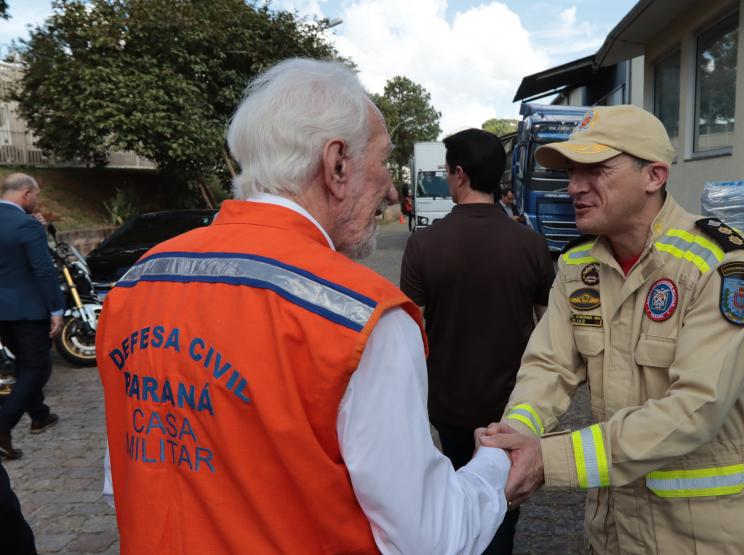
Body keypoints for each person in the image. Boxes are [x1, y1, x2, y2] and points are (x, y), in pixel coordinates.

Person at [97, 59, 510, 554]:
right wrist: (497, 468)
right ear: (337, 165)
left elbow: (125, 479)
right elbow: (431, 538)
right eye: (382, 161)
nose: (390, 189)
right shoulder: (363, 317)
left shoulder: (136, 282)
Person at [480, 105, 744, 554]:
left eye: (595, 169)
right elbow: (548, 367)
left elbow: (696, 408)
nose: (574, 186)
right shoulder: (578, 265)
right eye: (571, 171)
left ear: (654, 176)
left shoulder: (722, 265)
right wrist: (513, 435)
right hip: (616, 533)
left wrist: (550, 459)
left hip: (712, 536)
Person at [400, 128, 554, 554]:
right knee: (504, 497)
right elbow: (548, 331)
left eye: (448, 172)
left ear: (460, 175)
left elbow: (408, 331)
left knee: (453, 485)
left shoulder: (423, 244)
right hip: (512, 403)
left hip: (448, 402)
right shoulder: (532, 244)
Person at [0, 173, 64, 460]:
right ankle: (3, 425)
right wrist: (56, 309)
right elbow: (43, 268)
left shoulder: (24, 222)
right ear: (26, 193)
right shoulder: (26, 225)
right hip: (27, 309)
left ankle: (39, 415)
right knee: (37, 368)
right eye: (36, 195)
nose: (37, 200)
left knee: (25, 364)